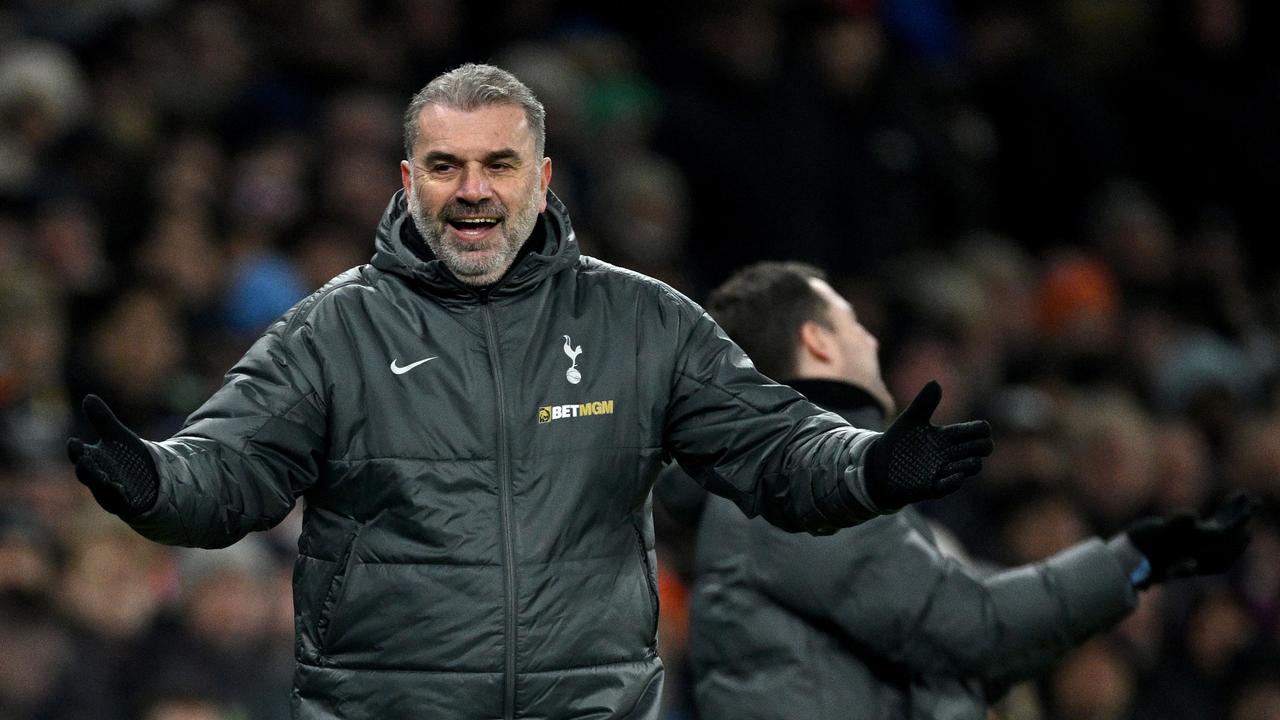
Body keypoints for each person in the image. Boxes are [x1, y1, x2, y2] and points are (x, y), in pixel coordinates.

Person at [64, 65, 995, 719]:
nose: (472, 191)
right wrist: (153, 483)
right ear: (408, 180)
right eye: (444, 166)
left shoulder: (643, 322)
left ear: (542, 177)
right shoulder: (333, 330)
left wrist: (868, 467)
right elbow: (225, 469)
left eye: (497, 164)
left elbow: (776, 447)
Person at [657, 261, 1255, 720]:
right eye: (853, 323)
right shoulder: (796, 500)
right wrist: (1131, 559)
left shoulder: (789, 491)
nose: (871, 339)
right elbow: (973, 629)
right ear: (819, 342)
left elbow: (956, 629)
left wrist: (1135, 559)